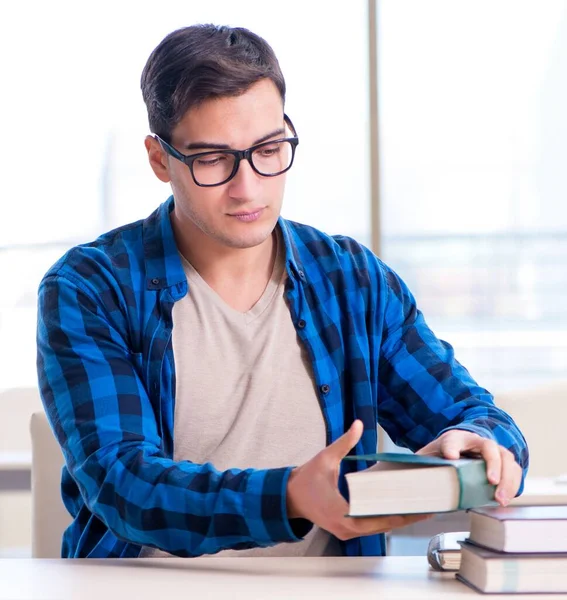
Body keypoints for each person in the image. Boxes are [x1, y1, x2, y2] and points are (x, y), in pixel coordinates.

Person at [36, 24, 528, 559]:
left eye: (268, 149)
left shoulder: (352, 281)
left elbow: (479, 418)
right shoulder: (91, 289)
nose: (248, 187)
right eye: (211, 160)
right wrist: (289, 496)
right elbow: (122, 483)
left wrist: (481, 443)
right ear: (159, 159)